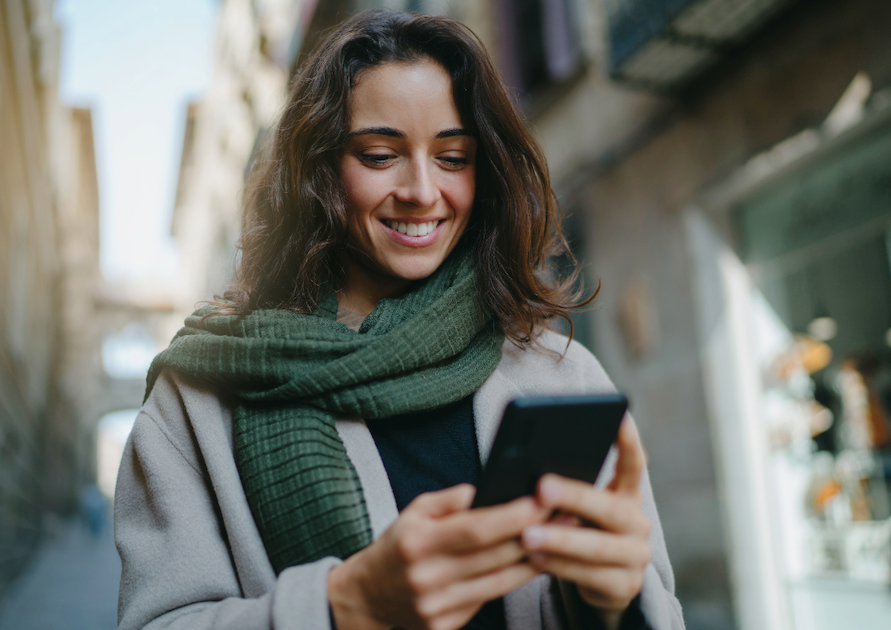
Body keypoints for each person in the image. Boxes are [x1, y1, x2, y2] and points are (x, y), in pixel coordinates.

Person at [114, 10, 684, 630]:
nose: (422, 190)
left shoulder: (562, 374)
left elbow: (651, 609)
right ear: (318, 171)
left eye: (453, 157)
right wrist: (346, 606)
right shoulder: (198, 399)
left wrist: (616, 601)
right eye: (381, 155)